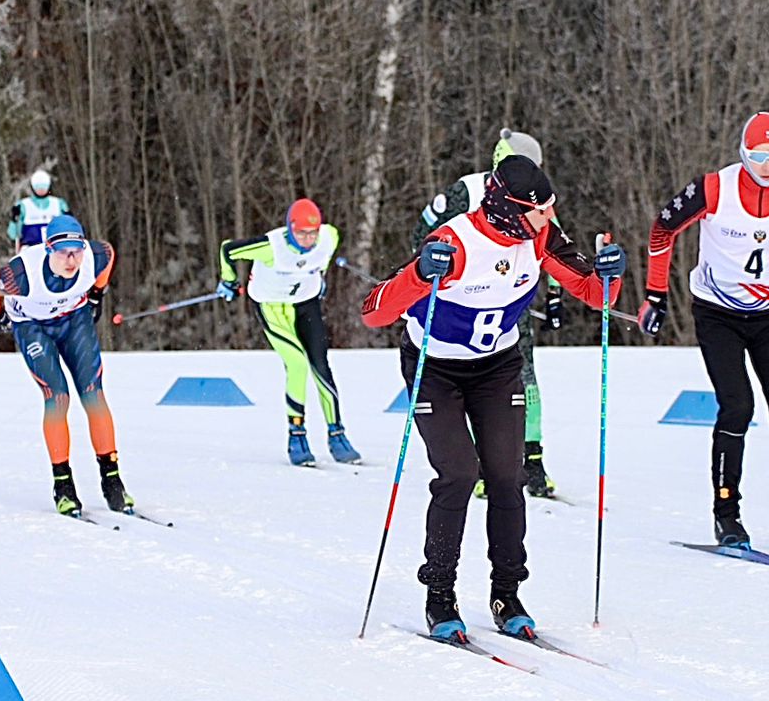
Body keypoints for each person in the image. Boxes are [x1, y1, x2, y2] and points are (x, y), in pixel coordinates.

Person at [363, 155, 627, 639]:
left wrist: (611, 273)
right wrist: (422, 274)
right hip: (436, 369)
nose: (549, 218)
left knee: (508, 475)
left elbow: (596, 294)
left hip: (496, 367)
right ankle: (439, 596)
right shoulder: (453, 242)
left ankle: (507, 593)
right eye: (539, 210)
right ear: (508, 208)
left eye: (551, 208)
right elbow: (374, 312)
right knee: (460, 473)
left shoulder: (541, 237)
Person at [639, 111, 769, 556]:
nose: (767, 165)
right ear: (743, 154)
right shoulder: (715, 186)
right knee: (737, 407)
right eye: (757, 155)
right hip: (718, 314)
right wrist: (655, 296)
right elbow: (663, 228)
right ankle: (727, 515)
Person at [411, 128, 564, 498]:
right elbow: (423, 233)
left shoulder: (535, 194)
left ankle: (532, 459)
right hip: (466, 301)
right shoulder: (467, 190)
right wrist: (432, 270)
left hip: (513, 298)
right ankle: (479, 461)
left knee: (522, 374)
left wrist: (556, 295)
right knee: (473, 378)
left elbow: (556, 240)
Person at [0, 213, 134, 517]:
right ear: (49, 249)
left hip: (74, 320)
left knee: (93, 393)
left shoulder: (94, 257)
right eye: (64, 253)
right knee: (58, 397)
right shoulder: (22, 273)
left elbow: (109, 255)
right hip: (33, 326)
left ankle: (112, 479)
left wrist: (97, 295)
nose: (72, 260)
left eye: (77, 251)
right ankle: (63, 484)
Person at [217, 198, 359, 466]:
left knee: (321, 365)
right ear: (290, 229)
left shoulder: (329, 237)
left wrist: (320, 278)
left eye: (312, 233)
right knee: (296, 364)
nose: (308, 239)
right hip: (272, 308)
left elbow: (322, 257)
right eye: (301, 233)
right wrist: (229, 280)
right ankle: (297, 436)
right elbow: (228, 250)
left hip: (305, 304)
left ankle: (337, 434)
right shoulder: (271, 247)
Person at [7, 162, 71, 246]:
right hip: (30, 249)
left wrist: (68, 217)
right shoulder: (24, 206)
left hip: (54, 249)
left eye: (44, 187)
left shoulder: (58, 204)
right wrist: (14, 220)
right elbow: (13, 234)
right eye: (38, 188)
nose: (41, 191)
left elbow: (69, 228)